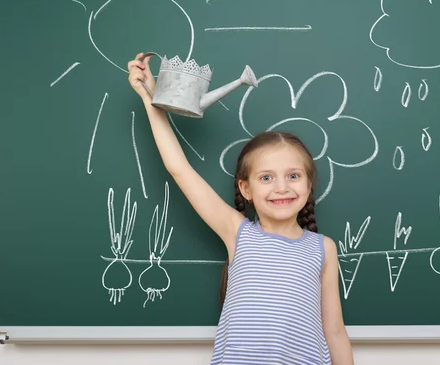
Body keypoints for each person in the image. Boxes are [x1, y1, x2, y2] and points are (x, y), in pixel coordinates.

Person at [127, 53, 354, 364]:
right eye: (266, 178)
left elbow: (336, 332)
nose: (281, 187)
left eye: (293, 176)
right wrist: (149, 96)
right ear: (246, 189)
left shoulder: (323, 249)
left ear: (308, 185)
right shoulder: (239, 233)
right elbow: (178, 167)